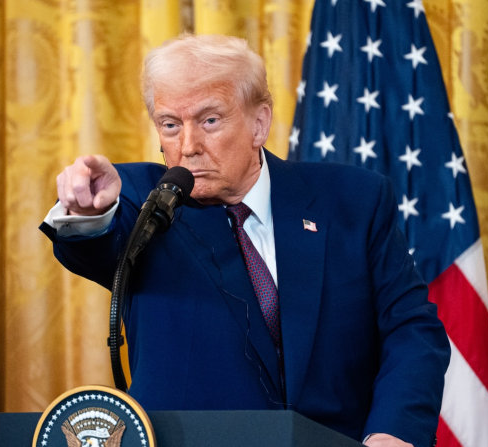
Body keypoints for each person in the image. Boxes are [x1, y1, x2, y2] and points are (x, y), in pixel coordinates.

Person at [40, 34, 450, 447]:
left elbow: (411, 328)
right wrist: (88, 211)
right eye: (170, 124)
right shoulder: (143, 201)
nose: (188, 147)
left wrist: (394, 433)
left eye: (209, 120)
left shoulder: (353, 201)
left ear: (260, 123)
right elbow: (96, 240)